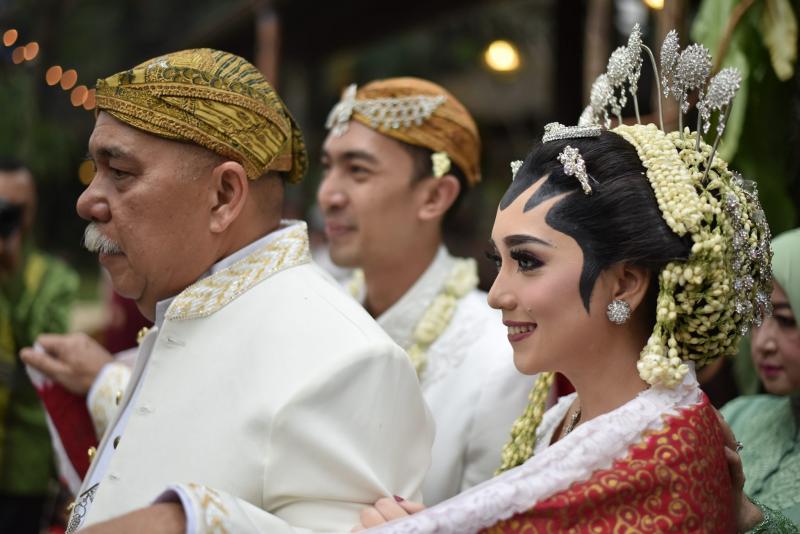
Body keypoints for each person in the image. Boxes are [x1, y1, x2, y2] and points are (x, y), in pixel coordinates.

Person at [356, 27, 795, 533]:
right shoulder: (574, 415)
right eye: (497, 261)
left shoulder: (657, 456)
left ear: (625, 283)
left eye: (528, 261)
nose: (497, 294)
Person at [21, 48, 434, 534]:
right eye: (95, 171)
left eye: (121, 173)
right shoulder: (186, 305)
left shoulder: (351, 364)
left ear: (224, 197)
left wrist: (184, 522)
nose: (88, 201)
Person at [319, 78, 533, 504]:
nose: (328, 194)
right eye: (327, 167)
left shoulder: (500, 359)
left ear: (435, 196)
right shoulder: (315, 316)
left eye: (357, 170)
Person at [0, 158, 79, 533]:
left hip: (24, 466)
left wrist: (12, 273)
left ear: (31, 211)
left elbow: (42, 352)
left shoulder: (54, 279)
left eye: (16, 209)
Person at [722, 228, 800, 525]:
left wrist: (749, 516)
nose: (763, 343)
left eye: (785, 320)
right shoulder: (738, 415)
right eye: (757, 317)